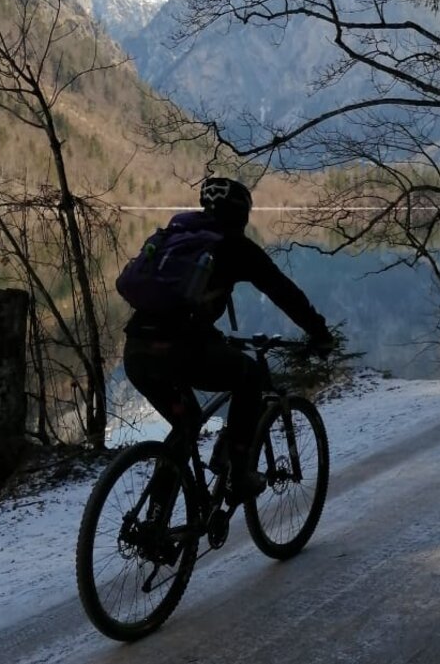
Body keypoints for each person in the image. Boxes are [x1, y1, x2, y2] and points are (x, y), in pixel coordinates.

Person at [123, 177, 333, 504]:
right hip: (179, 350)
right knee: (250, 377)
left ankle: (153, 526)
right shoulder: (234, 246)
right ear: (241, 214)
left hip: (137, 350)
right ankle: (239, 475)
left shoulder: (175, 236)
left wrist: (212, 337)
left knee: (185, 426)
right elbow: (284, 292)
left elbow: (179, 310)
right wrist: (319, 333)